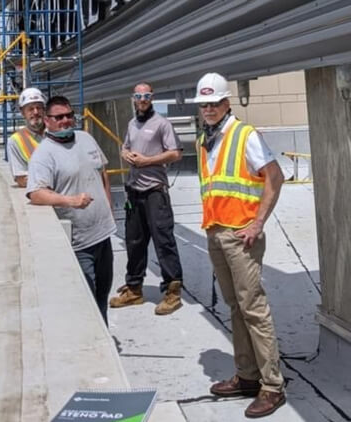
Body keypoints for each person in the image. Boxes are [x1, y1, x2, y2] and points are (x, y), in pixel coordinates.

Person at [192, 73, 287, 418]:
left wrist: (258, 222)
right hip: (216, 232)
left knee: (253, 308)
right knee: (236, 307)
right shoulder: (205, 139)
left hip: (241, 236)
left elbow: (274, 176)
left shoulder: (244, 135)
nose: (209, 109)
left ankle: (272, 386)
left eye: (214, 103)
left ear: (227, 102)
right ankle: (247, 375)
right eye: (204, 104)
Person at [26, 96, 116, 324]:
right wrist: (70, 201)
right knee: (87, 303)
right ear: (47, 121)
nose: (66, 121)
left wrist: (108, 206)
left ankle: (103, 334)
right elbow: (36, 193)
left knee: (102, 295)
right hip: (79, 243)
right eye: (59, 117)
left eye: (69, 115)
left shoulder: (86, 138)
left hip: (103, 236)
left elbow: (102, 173)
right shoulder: (43, 155)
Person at [109, 82, 184, 315]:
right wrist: (125, 154)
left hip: (155, 192)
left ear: (152, 98)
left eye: (146, 95)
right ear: (133, 98)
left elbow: (175, 153)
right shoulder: (132, 124)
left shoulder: (162, 124)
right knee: (134, 241)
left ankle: (172, 292)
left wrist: (147, 161)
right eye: (138, 95)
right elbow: (126, 146)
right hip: (134, 191)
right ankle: (134, 289)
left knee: (163, 241)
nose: (142, 99)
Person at [7, 87, 46, 187]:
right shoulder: (15, 141)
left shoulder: (56, 133)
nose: (36, 112)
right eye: (30, 109)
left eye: (39, 107)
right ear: (22, 112)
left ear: (44, 110)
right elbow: (21, 180)